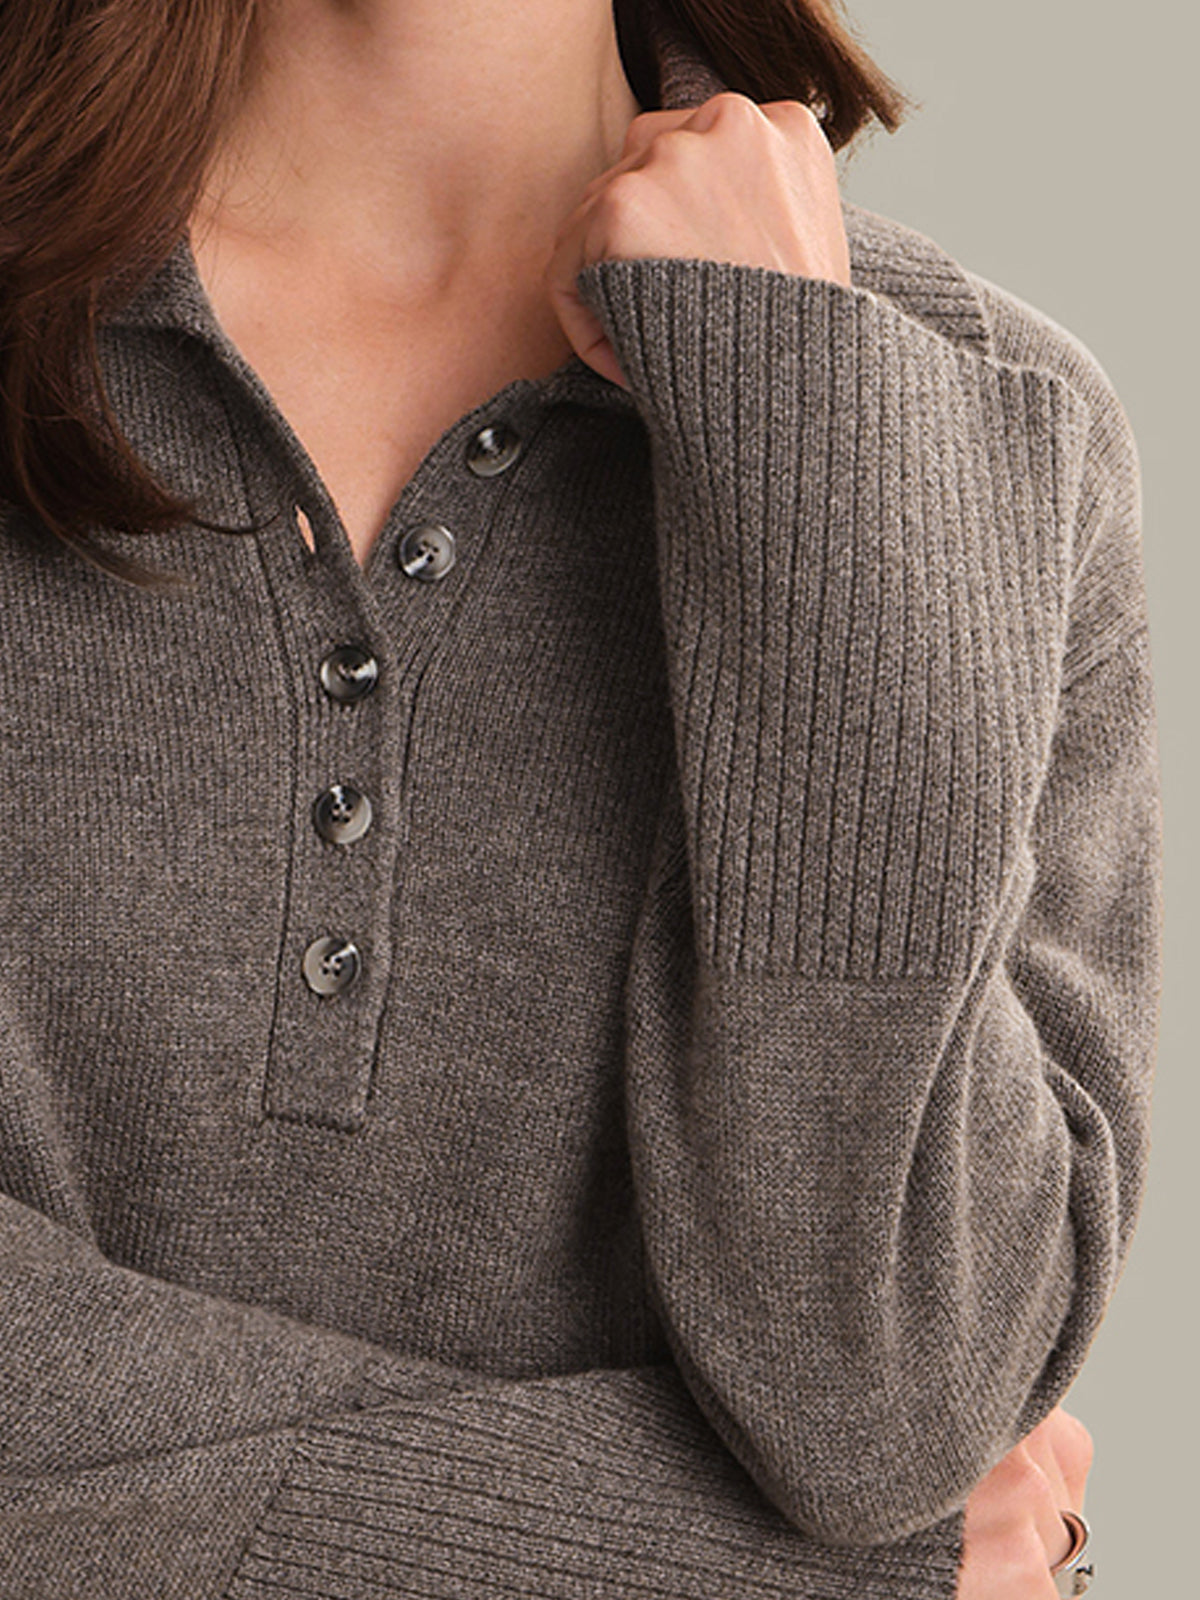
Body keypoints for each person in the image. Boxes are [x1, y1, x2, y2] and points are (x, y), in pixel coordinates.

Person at [0, 1, 1158, 1596]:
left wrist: (798, 420)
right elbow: (909, 1532)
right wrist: (748, 1572)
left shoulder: (982, 421)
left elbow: (884, 1414)